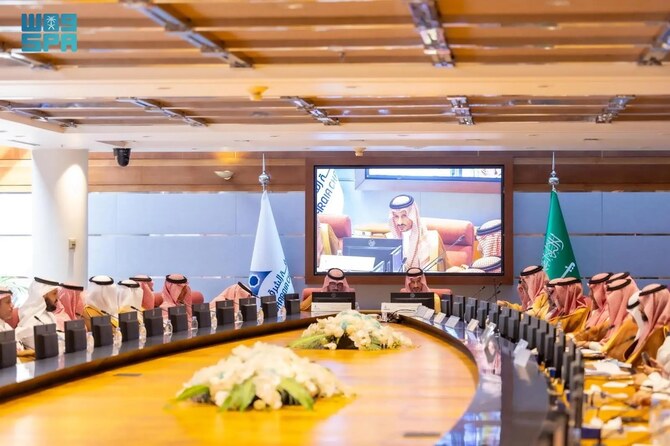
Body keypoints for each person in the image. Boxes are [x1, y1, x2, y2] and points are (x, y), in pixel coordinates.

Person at [388, 194, 446, 271]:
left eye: (404, 216)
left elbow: (440, 272)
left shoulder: (432, 240)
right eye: (396, 216)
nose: (399, 222)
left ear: (413, 215)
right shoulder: (389, 239)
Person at [15, 277, 62, 349]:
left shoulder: (49, 315)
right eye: (54, 293)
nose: (57, 298)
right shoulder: (29, 316)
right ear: (43, 294)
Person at [573, 273, 613, 344]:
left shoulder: (611, 315)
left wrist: (585, 344)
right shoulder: (596, 312)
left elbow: (596, 332)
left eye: (593, 290)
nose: (590, 294)